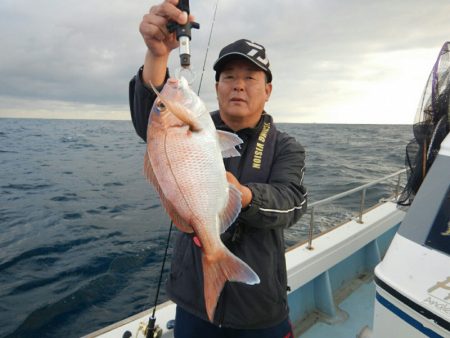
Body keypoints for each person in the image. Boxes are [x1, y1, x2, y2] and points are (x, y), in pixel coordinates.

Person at [129, 1, 308, 337]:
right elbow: (150, 122)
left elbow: (293, 202)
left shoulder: (286, 147)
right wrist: (157, 56)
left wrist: (245, 197)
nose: (238, 85)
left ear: (267, 90)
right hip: (194, 300)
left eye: (250, 77)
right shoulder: (192, 126)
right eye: (228, 76)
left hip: (260, 306)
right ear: (216, 87)